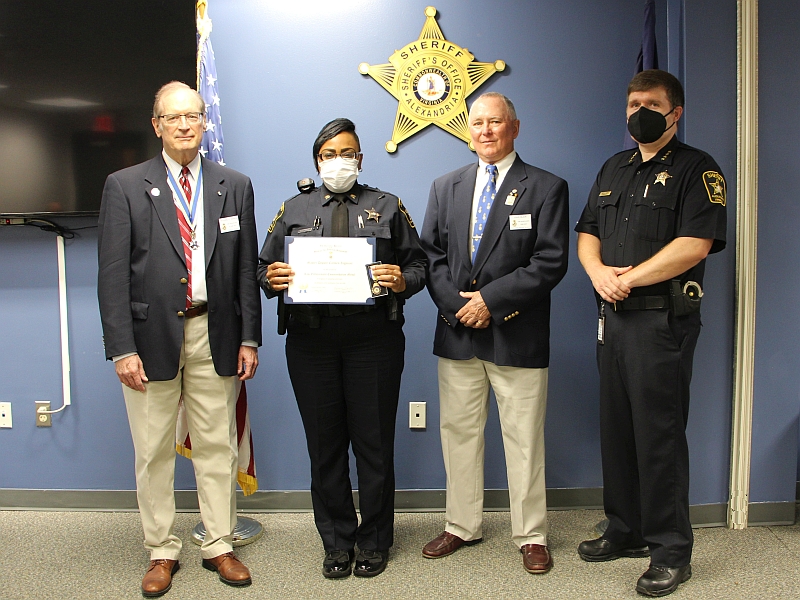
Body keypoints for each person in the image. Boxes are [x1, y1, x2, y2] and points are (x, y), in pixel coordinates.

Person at [97, 81, 261, 597]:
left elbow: (243, 271)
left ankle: (218, 543)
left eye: (193, 115)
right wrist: (122, 347)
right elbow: (112, 274)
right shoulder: (124, 185)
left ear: (205, 121)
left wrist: (250, 337)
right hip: (148, 339)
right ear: (157, 125)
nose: (185, 125)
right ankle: (162, 548)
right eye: (174, 117)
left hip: (218, 332)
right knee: (153, 452)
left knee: (218, 445)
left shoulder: (233, 184)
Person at [574, 69, 727, 597]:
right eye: (633, 101)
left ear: (674, 112)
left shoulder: (696, 168)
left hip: (661, 321)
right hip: (611, 318)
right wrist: (597, 274)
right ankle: (625, 528)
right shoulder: (613, 167)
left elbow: (696, 243)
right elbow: (589, 230)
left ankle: (671, 551)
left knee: (658, 436)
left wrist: (629, 280)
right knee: (616, 429)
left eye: (652, 103)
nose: (640, 109)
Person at [257, 118, 426, 579]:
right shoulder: (292, 207)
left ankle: (373, 541)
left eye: (346, 153)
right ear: (317, 160)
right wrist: (271, 278)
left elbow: (420, 266)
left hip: (373, 339)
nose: (338, 162)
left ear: (360, 158)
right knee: (324, 446)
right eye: (328, 155)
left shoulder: (388, 206)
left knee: (373, 445)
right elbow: (262, 268)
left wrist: (401, 280)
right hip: (311, 342)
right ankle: (336, 542)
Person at [420, 92, 569, 574]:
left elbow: (550, 262)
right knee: (458, 434)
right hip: (458, 333)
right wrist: (459, 308)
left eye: (495, 122)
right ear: (468, 130)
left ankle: (531, 534)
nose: (486, 131)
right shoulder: (446, 186)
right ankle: (461, 525)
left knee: (524, 439)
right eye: (477, 123)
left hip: (516, 334)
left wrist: (491, 303)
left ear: (515, 127)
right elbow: (430, 258)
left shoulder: (546, 187)